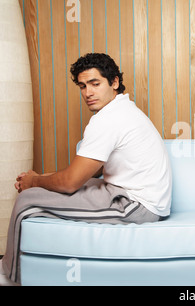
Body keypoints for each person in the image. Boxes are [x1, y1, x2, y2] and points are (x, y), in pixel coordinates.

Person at [0, 53, 172, 285]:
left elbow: (70, 182)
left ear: (114, 83)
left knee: (28, 199)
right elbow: (86, 173)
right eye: (82, 86)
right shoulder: (122, 110)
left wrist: (32, 183)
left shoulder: (108, 120)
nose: (88, 93)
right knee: (42, 189)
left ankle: (9, 277)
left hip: (136, 207)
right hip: (127, 195)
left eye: (95, 83)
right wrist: (40, 177)